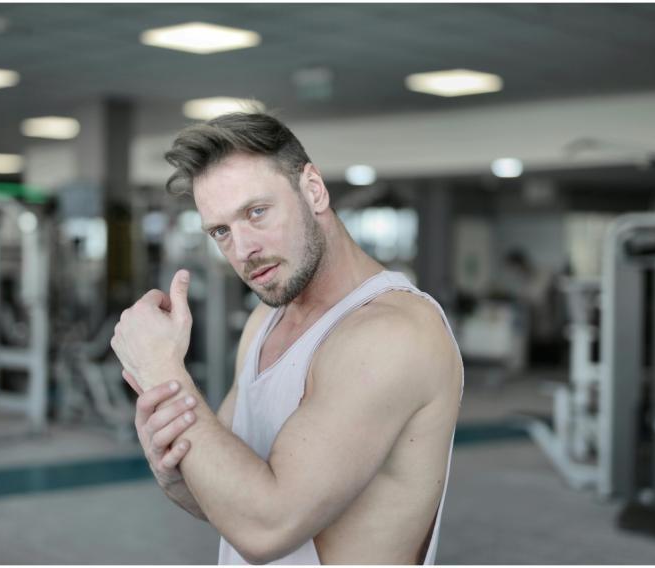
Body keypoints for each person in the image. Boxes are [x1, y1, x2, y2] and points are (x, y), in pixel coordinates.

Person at [111, 113, 463, 565]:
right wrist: (175, 473)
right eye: (221, 231)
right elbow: (232, 501)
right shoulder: (266, 321)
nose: (242, 249)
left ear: (313, 189)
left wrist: (162, 369)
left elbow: (266, 528)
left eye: (256, 212)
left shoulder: (392, 332)